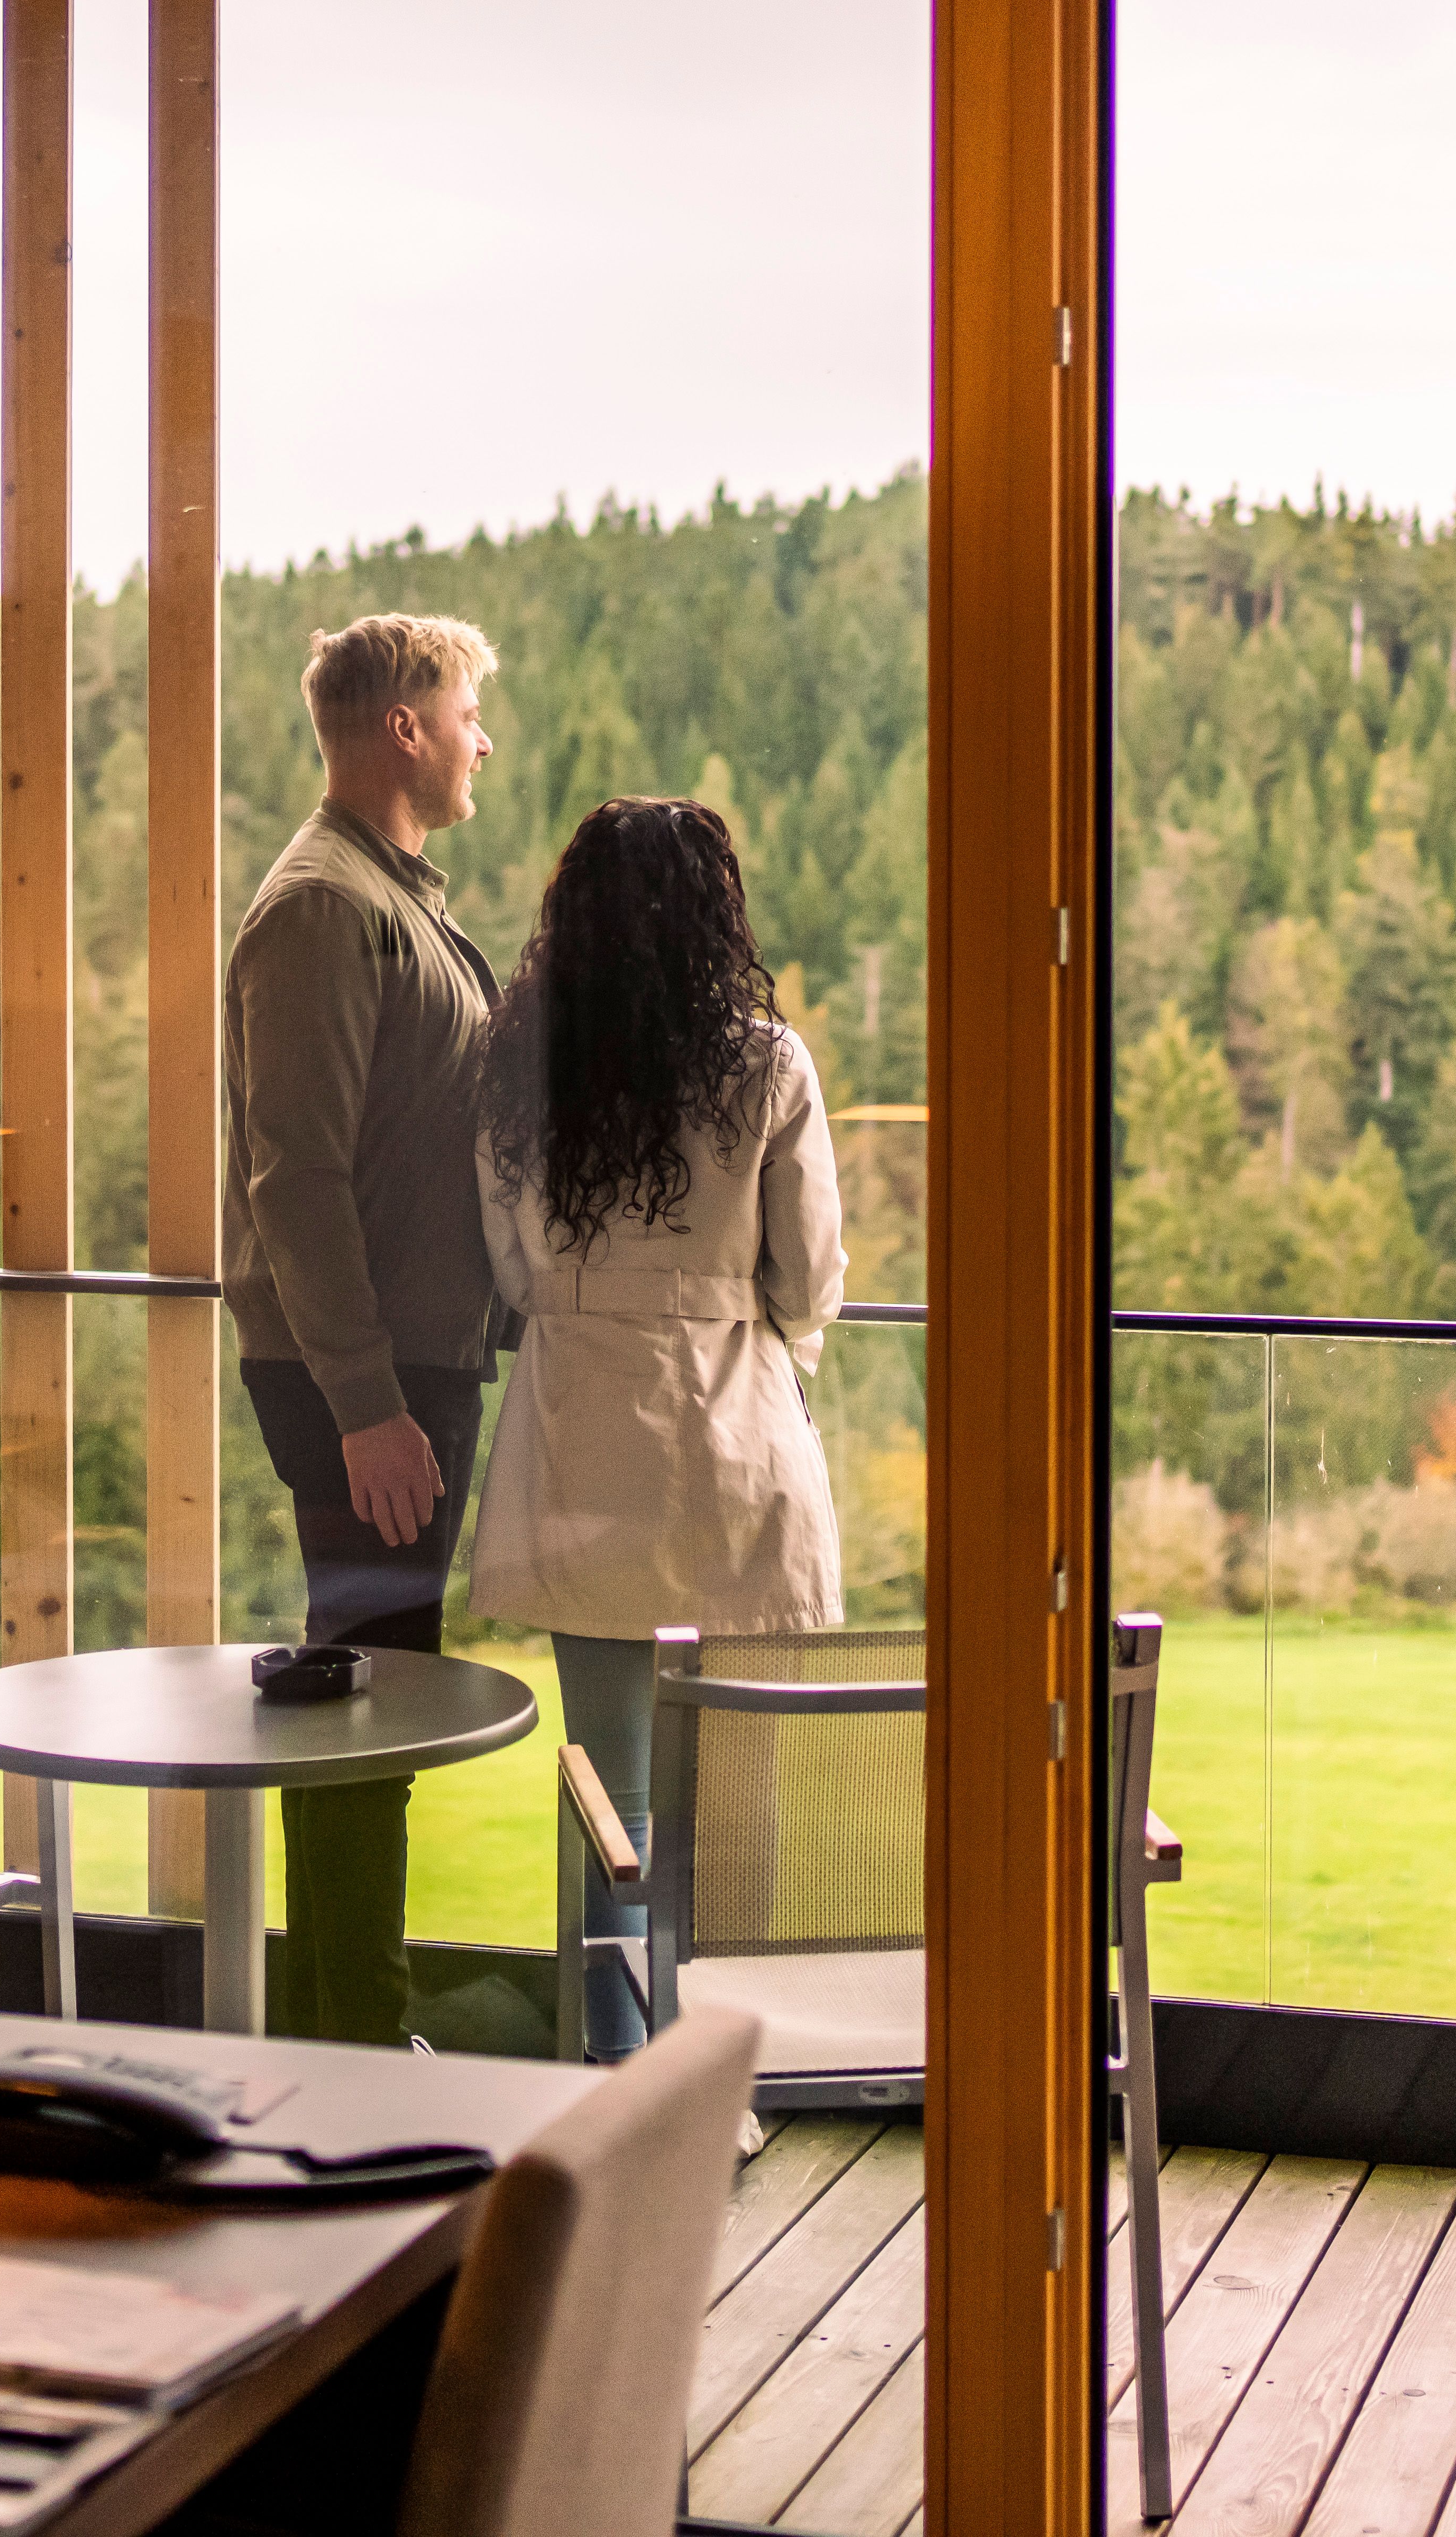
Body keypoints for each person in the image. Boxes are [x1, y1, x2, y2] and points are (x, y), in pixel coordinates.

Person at [467, 796, 846, 2056]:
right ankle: (720, 2071)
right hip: (732, 1441)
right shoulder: (765, 1065)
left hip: (583, 1437)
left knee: (605, 1788)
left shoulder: (525, 1072)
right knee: (739, 1798)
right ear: (713, 916)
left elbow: (514, 1275)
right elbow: (807, 1279)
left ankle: (613, 2057)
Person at [224, 613, 505, 2045]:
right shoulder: (326, 910)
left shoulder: (383, 894)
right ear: (404, 726)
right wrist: (366, 1401)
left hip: (401, 1366)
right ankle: (358, 2037)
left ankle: (347, 2023)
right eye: (467, 714)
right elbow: (298, 1176)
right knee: (364, 1705)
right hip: (371, 1380)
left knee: (362, 1694)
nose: (482, 741)